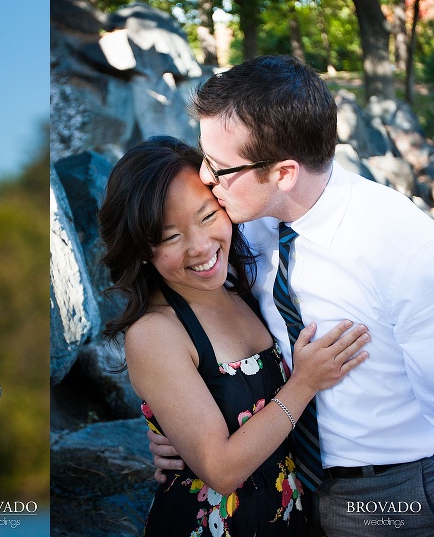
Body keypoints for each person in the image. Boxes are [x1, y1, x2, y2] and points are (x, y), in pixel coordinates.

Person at [149, 55, 434, 536]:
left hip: (387, 495)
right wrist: (180, 423)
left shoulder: (403, 246)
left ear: (283, 173)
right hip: (280, 484)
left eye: (219, 166)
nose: (205, 177)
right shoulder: (243, 218)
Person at [97, 136, 369, 536]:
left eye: (208, 216)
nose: (201, 247)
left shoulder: (241, 284)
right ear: (141, 248)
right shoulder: (155, 333)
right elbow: (221, 470)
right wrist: (306, 382)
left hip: (286, 516)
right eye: (171, 237)